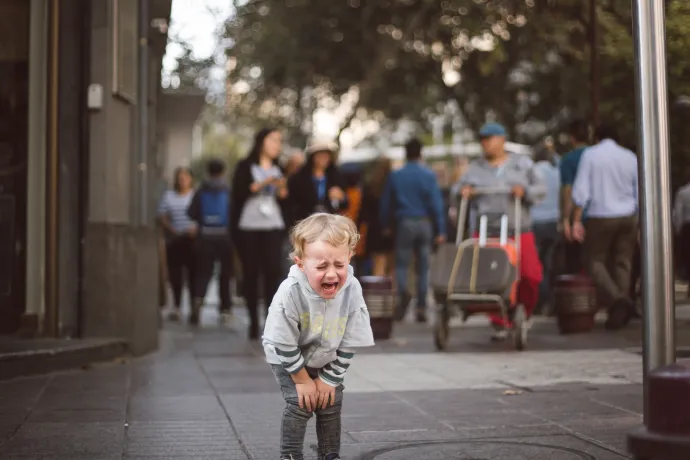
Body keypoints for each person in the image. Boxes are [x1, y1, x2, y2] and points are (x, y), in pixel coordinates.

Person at [262, 213, 375, 460]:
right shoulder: (290, 292)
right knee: (301, 403)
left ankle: (330, 454)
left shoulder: (352, 288)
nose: (332, 274)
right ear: (300, 263)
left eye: (339, 265)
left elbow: (351, 339)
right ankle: (290, 455)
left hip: (326, 354)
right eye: (321, 266)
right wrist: (303, 381)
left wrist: (329, 379)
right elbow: (282, 341)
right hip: (287, 355)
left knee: (330, 401)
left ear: (349, 257)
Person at [456, 122, 546, 340]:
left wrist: (524, 192)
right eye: (483, 139)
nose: (486, 143)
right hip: (487, 230)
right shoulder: (475, 168)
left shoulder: (521, 164)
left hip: (518, 228)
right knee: (489, 278)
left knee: (530, 275)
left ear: (502, 139)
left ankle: (524, 311)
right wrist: (464, 191)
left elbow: (541, 189)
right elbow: (457, 189)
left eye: (490, 138)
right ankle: (499, 320)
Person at [571, 124, 638, 330]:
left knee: (593, 261)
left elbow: (581, 190)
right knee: (622, 262)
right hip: (628, 215)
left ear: (597, 137)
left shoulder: (591, 155)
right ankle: (619, 310)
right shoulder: (630, 156)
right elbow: (639, 189)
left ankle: (618, 299)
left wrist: (575, 220)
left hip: (601, 215)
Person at [231, 128, 289, 340]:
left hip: (273, 225)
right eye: (273, 140)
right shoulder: (245, 166)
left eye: (279, 141)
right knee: (251, 273)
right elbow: (239, 193)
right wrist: (262, 184)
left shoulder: (279, 168)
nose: (277, 145)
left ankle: (270, 320)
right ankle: (253, 322)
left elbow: (284, 199)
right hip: (249, 226)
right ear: (261, 142)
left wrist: (282, 191)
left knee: (272, 272)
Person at [380, 138, 446, 323]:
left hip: (405, 222)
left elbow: (387, 203)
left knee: (402, 263)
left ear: (405, 153)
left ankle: (404, 293)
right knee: (423, 267)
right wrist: (441, 229)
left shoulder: (396, 175)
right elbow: (436, 203)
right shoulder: (428, 175)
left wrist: (385, 224)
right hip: (425, 222)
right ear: (421, 153)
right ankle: (422, 305)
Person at [187, 159, 233, 326]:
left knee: (203, 273)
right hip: (224, 238)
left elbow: (191, 213)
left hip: (204, 238)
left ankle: (197, 304)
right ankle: (225, 309)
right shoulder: (228, 190)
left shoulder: (201, 190)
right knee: (225, 274)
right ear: (223, 171)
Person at [157, 167, 196, 321]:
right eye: (180, 178)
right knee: (176, 275)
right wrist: (170, 228)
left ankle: (194, 306)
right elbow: (161, 215)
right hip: (174, 240)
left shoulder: (195, 196)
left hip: (192, 240)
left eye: (185, 177)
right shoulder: (169, 196)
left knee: (193, 274)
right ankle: (177, 306)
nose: (183, 181)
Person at [288, 139, 348, 226]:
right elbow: (292, 203)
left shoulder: (336, 177)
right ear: (312, 156)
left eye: (326, 155)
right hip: (305, 224)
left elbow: (345, 204)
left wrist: (341, 197)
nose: (323, 158)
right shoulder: (299, 177)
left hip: (330, 225)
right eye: (320, 155)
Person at [530, 144, 561, 313]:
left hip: (534, 224)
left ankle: (538, 300)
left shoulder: (531, 172)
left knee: (536, 264)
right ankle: (550, 301)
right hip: (554, 223)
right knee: (551, 264)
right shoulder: (557, 173)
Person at [558, 120, 590, 273]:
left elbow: (568, 191)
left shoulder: (569, 160)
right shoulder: (596, 156)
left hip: (579, 218)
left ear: (572, 138)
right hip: (602, 215)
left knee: (576, 265)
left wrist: (565, 220)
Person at [358, 157, 395, 277]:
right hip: (390, 228)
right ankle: (390, 292)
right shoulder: (393, 185)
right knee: (391, 263)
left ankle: (377, 290)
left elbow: (363, 211)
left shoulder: (370, 185)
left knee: (378, 263)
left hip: (374, 229)